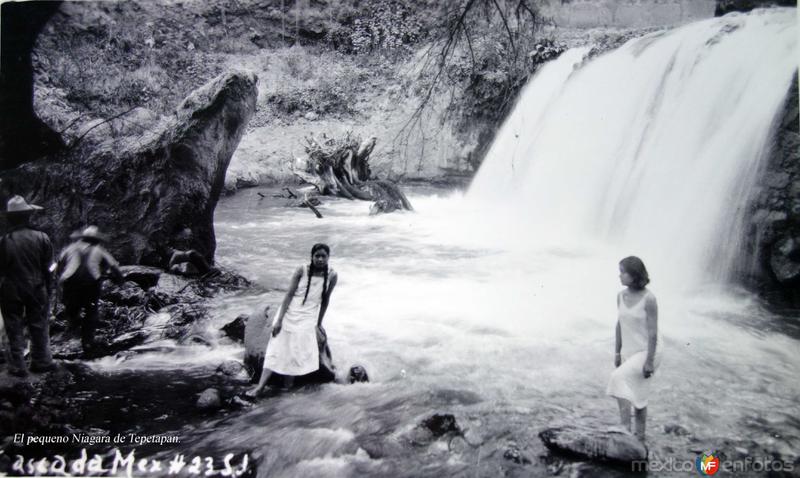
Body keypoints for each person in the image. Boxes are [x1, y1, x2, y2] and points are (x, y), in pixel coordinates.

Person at [248, 243, 338, 396]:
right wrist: (279, 320)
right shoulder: (301, 270)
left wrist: (319, 323)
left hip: (308, 316)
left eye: (324, 256)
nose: (320, 259)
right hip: (291, 312)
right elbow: (289, 295)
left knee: (296, 351)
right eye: (317, 256)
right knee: (275, 348)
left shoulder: (332, 275)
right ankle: (260, 387)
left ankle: (287, 386)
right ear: (312, 257)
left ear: (328, 257)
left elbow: (325, 300)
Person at [607, 256, 662, 442]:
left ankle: (624, 429)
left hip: (649, 350)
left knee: (618, 378)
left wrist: (649, 361)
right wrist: (617, 352)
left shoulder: (649, 299)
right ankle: (640, 438)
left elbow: (653, 332)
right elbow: (619, 324)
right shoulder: (620, 296)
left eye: (623, 272)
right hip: (630, 349)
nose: (619, 276)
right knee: (639, 394)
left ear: (634, 275)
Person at [0, 195, 55, 377]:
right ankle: (41, 362)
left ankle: (17, 366)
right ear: (28, 216)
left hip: (11, 289)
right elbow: (49, 267)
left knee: (13, 326)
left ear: (9, 218)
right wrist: (50, 288)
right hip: (37, 286)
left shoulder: (4, 240)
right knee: (38, 325)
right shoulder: (42, 237)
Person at [56, 225, 123, 355]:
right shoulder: (100, 250)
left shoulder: (70, 248)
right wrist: (121, 281)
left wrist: (58, 281)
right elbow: (114, 267)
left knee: (71, 308)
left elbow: (59, 265)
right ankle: (87, 341)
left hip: (69, 283)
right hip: (90, 284)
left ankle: (72, 327)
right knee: (90, 311)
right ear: (96, 239)